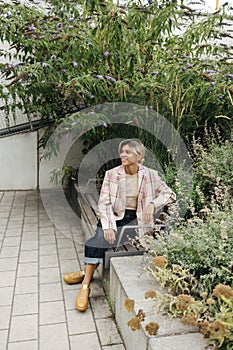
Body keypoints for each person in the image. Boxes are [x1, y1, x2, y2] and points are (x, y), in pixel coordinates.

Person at [63, 138, 175, 312]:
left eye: (128, 152)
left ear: (140, 155)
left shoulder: (150, 175)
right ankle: (85, 286)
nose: (123, 154)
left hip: (136, 220)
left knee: (104, 240)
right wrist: (108, 226)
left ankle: (86, 272)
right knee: (99, 238)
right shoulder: (112, 174)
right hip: (114, 216)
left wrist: (153, 204)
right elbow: (105, 203)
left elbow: (169, 193)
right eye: (122, 151)